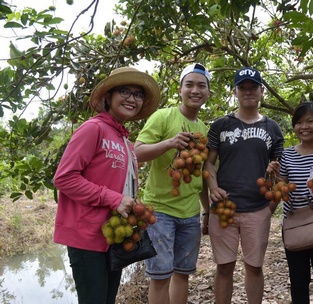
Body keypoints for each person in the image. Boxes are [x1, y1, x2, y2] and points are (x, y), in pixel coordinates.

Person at [53, 66, 160, 304]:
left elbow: (118, 186)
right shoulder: (93, 128)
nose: (132, 98)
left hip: (113, 237)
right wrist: (114, 199)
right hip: (87, 237)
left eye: (138, 94)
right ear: (108, 97)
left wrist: (132, 204)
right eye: (125, 91)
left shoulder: (124, 140)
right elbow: (64, 177)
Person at [204, 67, 284, 304]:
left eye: (253, 87)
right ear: (235, 92)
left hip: (257, 209)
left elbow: (279, 171)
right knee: (224, 267)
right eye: (242, 88)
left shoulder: (273, 128)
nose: (248, 92)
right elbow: (208, 163)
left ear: (261, 91)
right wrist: (213, 187)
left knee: (254, 267)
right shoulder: (220, 125)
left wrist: (271, 204)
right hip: (224, 207)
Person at [134, 63, 211, 304]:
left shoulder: (204, 130)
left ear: (208, 92)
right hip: (160, 212)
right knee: (159, 277)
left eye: (201, 86)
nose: (195, 90)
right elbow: (136, 152)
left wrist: (207, 211)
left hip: (190, 215)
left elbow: (201, 177)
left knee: (182, 274)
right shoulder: (163, 116)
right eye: (189, 85)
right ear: (180, 89)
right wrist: (169, 143)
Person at [267, 101, 313, 304]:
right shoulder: (287, 154)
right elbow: (280, 190)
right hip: (294, 226)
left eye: (310, 121)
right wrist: (273, 177)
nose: (304, 127)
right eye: (299, 122)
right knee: (298, 282)